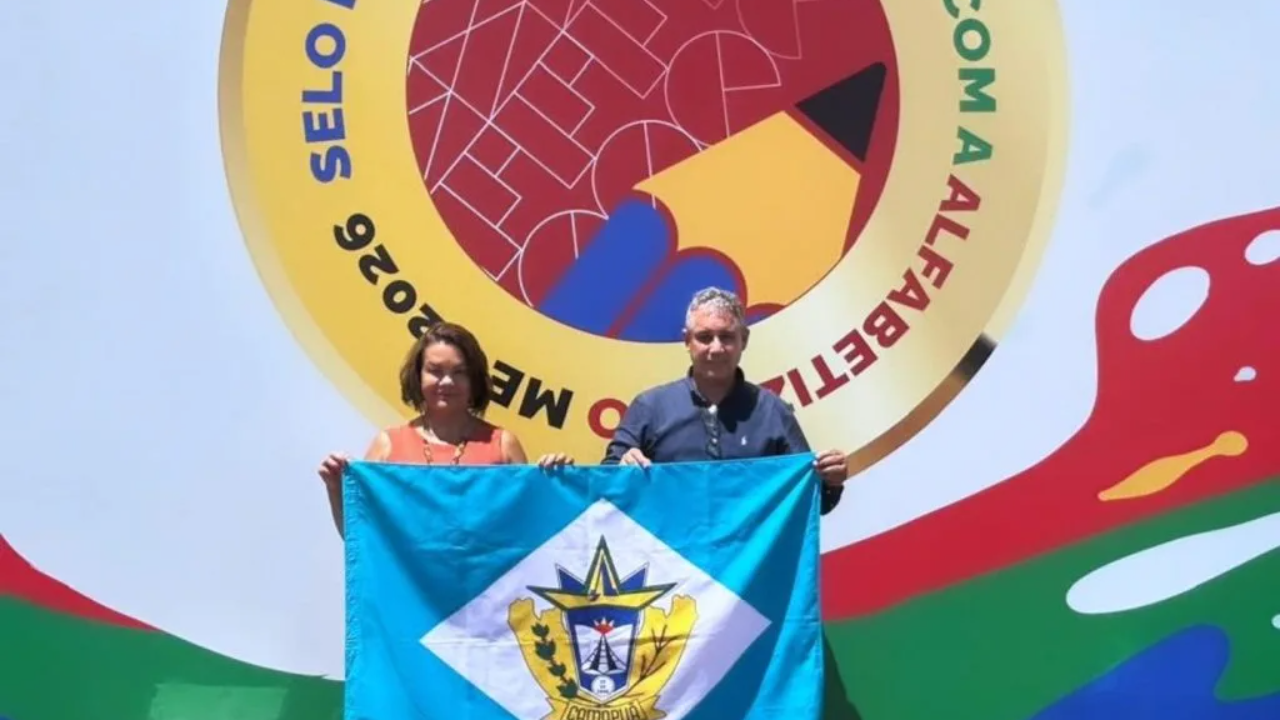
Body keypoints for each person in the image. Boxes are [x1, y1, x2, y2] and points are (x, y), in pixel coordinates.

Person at [602, 287, 849, 514]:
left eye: (727, 337)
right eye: (704, 337)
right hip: (668, 547)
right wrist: (623, 467)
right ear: (687, 341)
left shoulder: (773, 412)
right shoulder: (650, 407)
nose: (716, 348)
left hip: (751, 549)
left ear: (744, 340)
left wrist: (831, 481)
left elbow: (812, 500)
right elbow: (605, 484)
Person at [318, 321, 573, 536]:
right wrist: (335, 487)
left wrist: (558, 484)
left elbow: (530, 531)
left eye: (459, 372)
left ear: (474, 379)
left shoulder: (503, 445)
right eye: (435, 371)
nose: (447, 381)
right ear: (418, 376)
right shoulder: (388, 445)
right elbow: (362, 538)